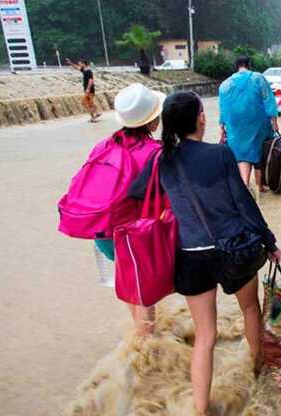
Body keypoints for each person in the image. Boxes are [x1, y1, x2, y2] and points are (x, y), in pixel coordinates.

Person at [129, 91, 281, 416]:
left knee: (206, 335)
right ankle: (255, 369)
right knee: (251, 310)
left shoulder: (161, 159)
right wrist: (269, 241)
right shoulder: (220, 154)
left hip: (191, 257)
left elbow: (136, 193)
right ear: (201, 118)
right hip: (233, 251)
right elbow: (243, 201)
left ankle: (200, 409)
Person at [92, 83, 165, 335]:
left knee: (129, 285)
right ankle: (147, 353)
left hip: (102, 234)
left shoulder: (103, 146)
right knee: (145, 294)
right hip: (134, 236)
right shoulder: (156, 153)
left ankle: (139, 335)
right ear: (153, 123)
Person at [219, 56, 279, 193]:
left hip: (235, 126)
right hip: (258, 122)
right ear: (249, 65)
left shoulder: (225, 84)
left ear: (236, 66)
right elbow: (269, 100)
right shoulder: (258, 78)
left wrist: (222, 127)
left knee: (242, 154)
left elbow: (223, 108)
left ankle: (244, 185)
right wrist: (274, 121)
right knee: (259, 151)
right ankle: (259, 187)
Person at [66, 58, 101, 122]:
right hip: (87, 90)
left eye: (80, 63)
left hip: (89, 90)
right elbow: (76, 67)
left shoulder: (88, 71)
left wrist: (88, 89)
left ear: (84, 64)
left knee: (85, 103)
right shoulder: (84, 70)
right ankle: (95, 115)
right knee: (89, 103)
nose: (79, 65)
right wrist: (70, 63)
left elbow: (91, 80)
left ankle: (95, 114)